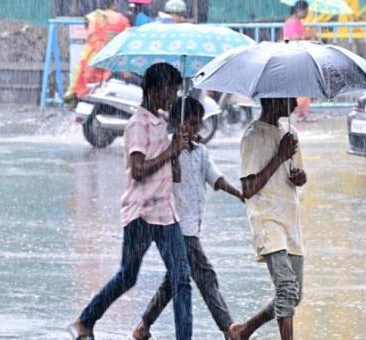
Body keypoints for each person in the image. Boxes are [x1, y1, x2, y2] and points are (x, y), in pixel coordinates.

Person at [67, 63, 193, 340]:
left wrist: (177, 148)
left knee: (181, 278)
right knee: (128, 275)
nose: (173, 97)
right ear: (156, 89)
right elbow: (138, 170)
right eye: (171, 90)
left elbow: (173, 173)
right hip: (142, 211)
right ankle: (85, 320)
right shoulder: (138, 123)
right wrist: (171, 149)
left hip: (166, 211)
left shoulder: (161, 123)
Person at [129, 97, 245, 340]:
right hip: (175, 225)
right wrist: (175, 151)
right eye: (190, 124)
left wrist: (239, 194)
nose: (195, 130)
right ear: (176, 123)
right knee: (205, 274)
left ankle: (142, 328)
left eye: (198, 125)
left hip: (192, 226)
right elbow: (172, 179)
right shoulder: (166, 150)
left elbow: (215, 178)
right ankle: (229, 328)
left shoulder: (201, 152)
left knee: (173, 281)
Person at [232, 98, 307, 340]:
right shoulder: (253, 136)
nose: (295, 104)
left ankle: (244, 330)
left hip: (290, 220)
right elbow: (248, 189)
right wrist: (279, 156)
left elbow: (297, 174)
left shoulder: (290, 132)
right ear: (273, 99)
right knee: (286, 288)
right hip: (267, 219)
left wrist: (300, 176)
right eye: (290, 99)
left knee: (294, 295)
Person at [64, 0, 130, 102]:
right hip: (113, 57)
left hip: (94, 56)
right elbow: (127, 40)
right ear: (114, 4)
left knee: (87, 85)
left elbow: (90, 33)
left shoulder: (94, 17)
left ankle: (80, 99)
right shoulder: (122, 20)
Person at [283, 1, 314, 121]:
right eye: (305, 10)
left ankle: (301, 111)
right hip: (295, 57)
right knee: (302, 85)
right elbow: (293, 39)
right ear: (298, 10)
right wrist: (307, 35)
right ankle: (300, 111)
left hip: (297, 57)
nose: (307, 13)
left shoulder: (296, 22)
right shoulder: (292, 23)